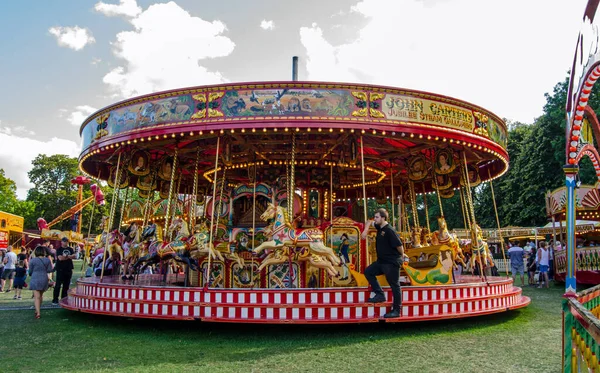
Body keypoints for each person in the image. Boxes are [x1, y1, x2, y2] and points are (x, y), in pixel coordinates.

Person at [361, 208, 404, 318]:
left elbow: (399, 246)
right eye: (375, 217)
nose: (375, 219)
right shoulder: (379, 227)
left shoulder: (389, 230)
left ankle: (396, 310)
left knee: (395, 285)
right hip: (381, 262)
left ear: (383, 218)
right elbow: (369, 221)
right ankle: (380, 294)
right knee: (368, 272)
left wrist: (401, 256)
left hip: (391, 262)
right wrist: (365, 230)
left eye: (377, 217)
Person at [29, 246, 54, 319]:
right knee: (41, 295)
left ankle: (38, 312)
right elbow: (49, 270)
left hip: (35, 277)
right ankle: (38, 309)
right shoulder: (47, 260)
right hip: (44, 277)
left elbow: (30, 271)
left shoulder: (33, 260)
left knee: (36, 297)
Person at [52, 237, 75, 305]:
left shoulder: (70, 249)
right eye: (64, 241)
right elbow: (60, 258)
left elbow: (74, 256)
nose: (65, 243)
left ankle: (64, 298)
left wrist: (66, 256)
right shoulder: (59, 249)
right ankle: (55, 299)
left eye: (66, 241)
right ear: (61, 242)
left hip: (68, 269)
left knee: (66, 285)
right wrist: (69, 256)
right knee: (58, 285)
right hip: (60, 269)